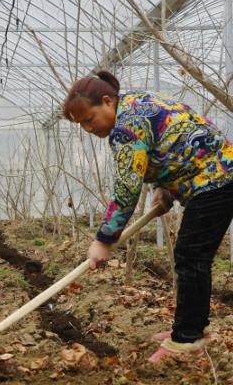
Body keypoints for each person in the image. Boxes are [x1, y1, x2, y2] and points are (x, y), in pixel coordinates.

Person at [63, 71, 233, 363]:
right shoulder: (135, 102)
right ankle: (190, 328)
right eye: (82, 125)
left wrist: (104, 239)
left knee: (191, 256)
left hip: (217, 179)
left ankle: (188, 340)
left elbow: (126, 190)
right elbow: (170, 140)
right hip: (216, 172)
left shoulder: (126, 128)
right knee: (190, 256)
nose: (88, 128)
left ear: (107, 101)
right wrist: (166, 187)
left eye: (89, 119)